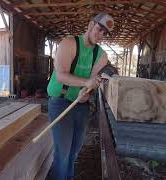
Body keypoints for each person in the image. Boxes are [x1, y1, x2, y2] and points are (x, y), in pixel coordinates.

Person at [46, 12, 115, 180]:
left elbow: (91, 81)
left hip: (81, 105)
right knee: (63, 152)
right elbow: (61, 75)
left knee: (74, 151)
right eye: (99, 29)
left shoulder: (101, 55)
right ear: (90, 24)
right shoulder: (69, 44)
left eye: (105, 34)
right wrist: (86, 83)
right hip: (60, 102)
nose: (101, 36)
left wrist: (87, 92)